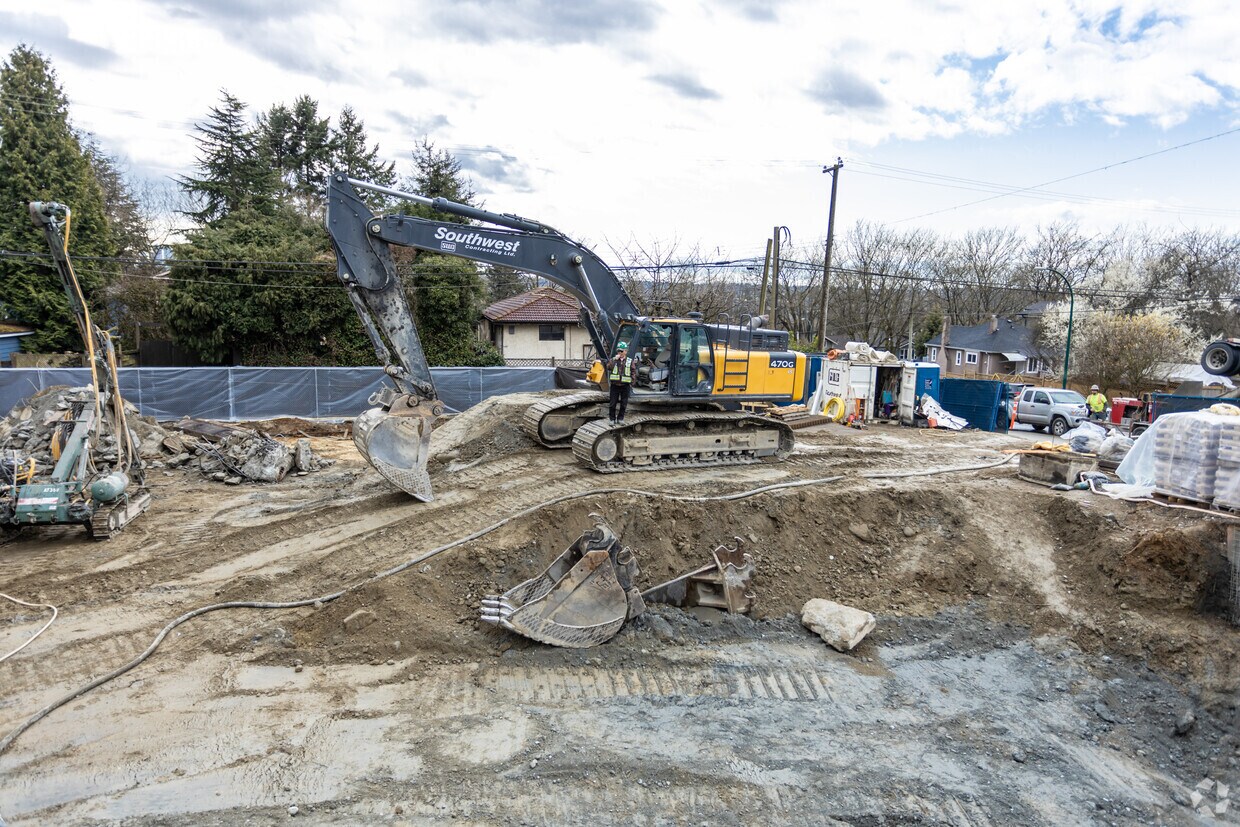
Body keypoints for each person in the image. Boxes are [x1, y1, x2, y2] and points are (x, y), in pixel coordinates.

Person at [606, 341, 639, 423]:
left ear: (625, 351)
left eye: (621, 351)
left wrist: (632, 383)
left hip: (625, 385)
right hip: (615, 385)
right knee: (613, 403)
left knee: (624, 404)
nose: (620, 352)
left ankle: (620, 418)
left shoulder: (629, 361)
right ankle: (612, 419)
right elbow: (609, 367)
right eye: (618, 351)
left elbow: (633, 371)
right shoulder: (613, 360)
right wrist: (614, 360)